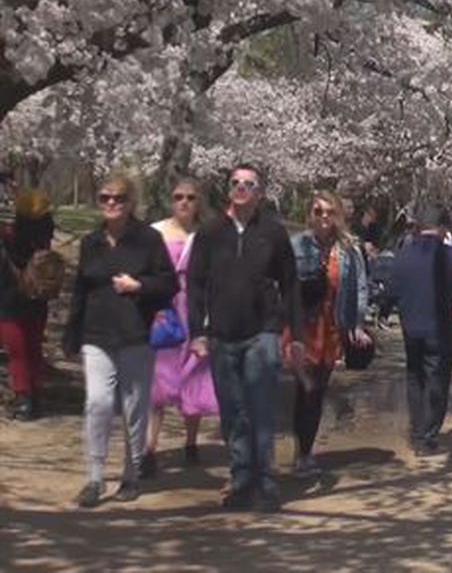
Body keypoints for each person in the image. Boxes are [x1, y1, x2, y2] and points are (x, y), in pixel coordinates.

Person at [187, 164, 303, 512]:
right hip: (222, 336)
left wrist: (294, 334)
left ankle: (266, 482)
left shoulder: (274, 233)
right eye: (235, 183)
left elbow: (291, 285)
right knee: (233, 411)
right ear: (228, 190)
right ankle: (240, 481)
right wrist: (197, 332)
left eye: (248, 184)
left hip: (262, 334)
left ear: (260, 193)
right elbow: (195, 284)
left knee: (261, 409)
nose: (241, 188)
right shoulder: (210, 233)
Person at [63, 174, 177, 508]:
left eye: (119, 198)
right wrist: (72, 334)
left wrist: (139, 286)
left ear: (131, 202)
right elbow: (81, 290)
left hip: (135, 334)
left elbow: (169, 284)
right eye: (104, 198)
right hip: (97, 335)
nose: (111, 203)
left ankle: (131, 473)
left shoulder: (148, 240)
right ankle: (95, 477)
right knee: (97, 403)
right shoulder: (91, 242)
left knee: (134, 409)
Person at [287, 190, 369, 478]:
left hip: (331, 326)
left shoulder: (348, 250)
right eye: (318, 212)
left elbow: (359, 288)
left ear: (338, 216)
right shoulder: (297, 245)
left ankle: (304, 451)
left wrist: (357, 324)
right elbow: (281, 284)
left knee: (317, 390)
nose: (323, 218)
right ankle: (302, 452)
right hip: (302, 326)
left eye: (329, 212)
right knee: (305, 387)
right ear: (310, 214)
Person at [143, 178, 218, 477]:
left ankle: (190, 443)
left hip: (196, 314)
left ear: (199, 201)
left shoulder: (206, 236)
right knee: (157, 385)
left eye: (190, 197)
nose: (184, 202)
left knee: (194, 378)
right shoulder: (155, 233)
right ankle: (150, 449)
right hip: (164, 313)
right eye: (178, 197)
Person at [386, 206, 452, 456]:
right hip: (439, 326)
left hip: (410, 326)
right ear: (442, 229)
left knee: (414, 376)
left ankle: (416, 431)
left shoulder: (402, 255)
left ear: (418, 227)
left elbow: (391, 292)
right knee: (437, 379)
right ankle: (428, 435)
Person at [1, 184, 55, 420]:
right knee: (33, 349)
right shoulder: (44, 236)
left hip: (9, 300)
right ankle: (36, 396)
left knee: (17, 353)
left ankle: (24, 399)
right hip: (37, 300)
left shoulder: (10, 236)